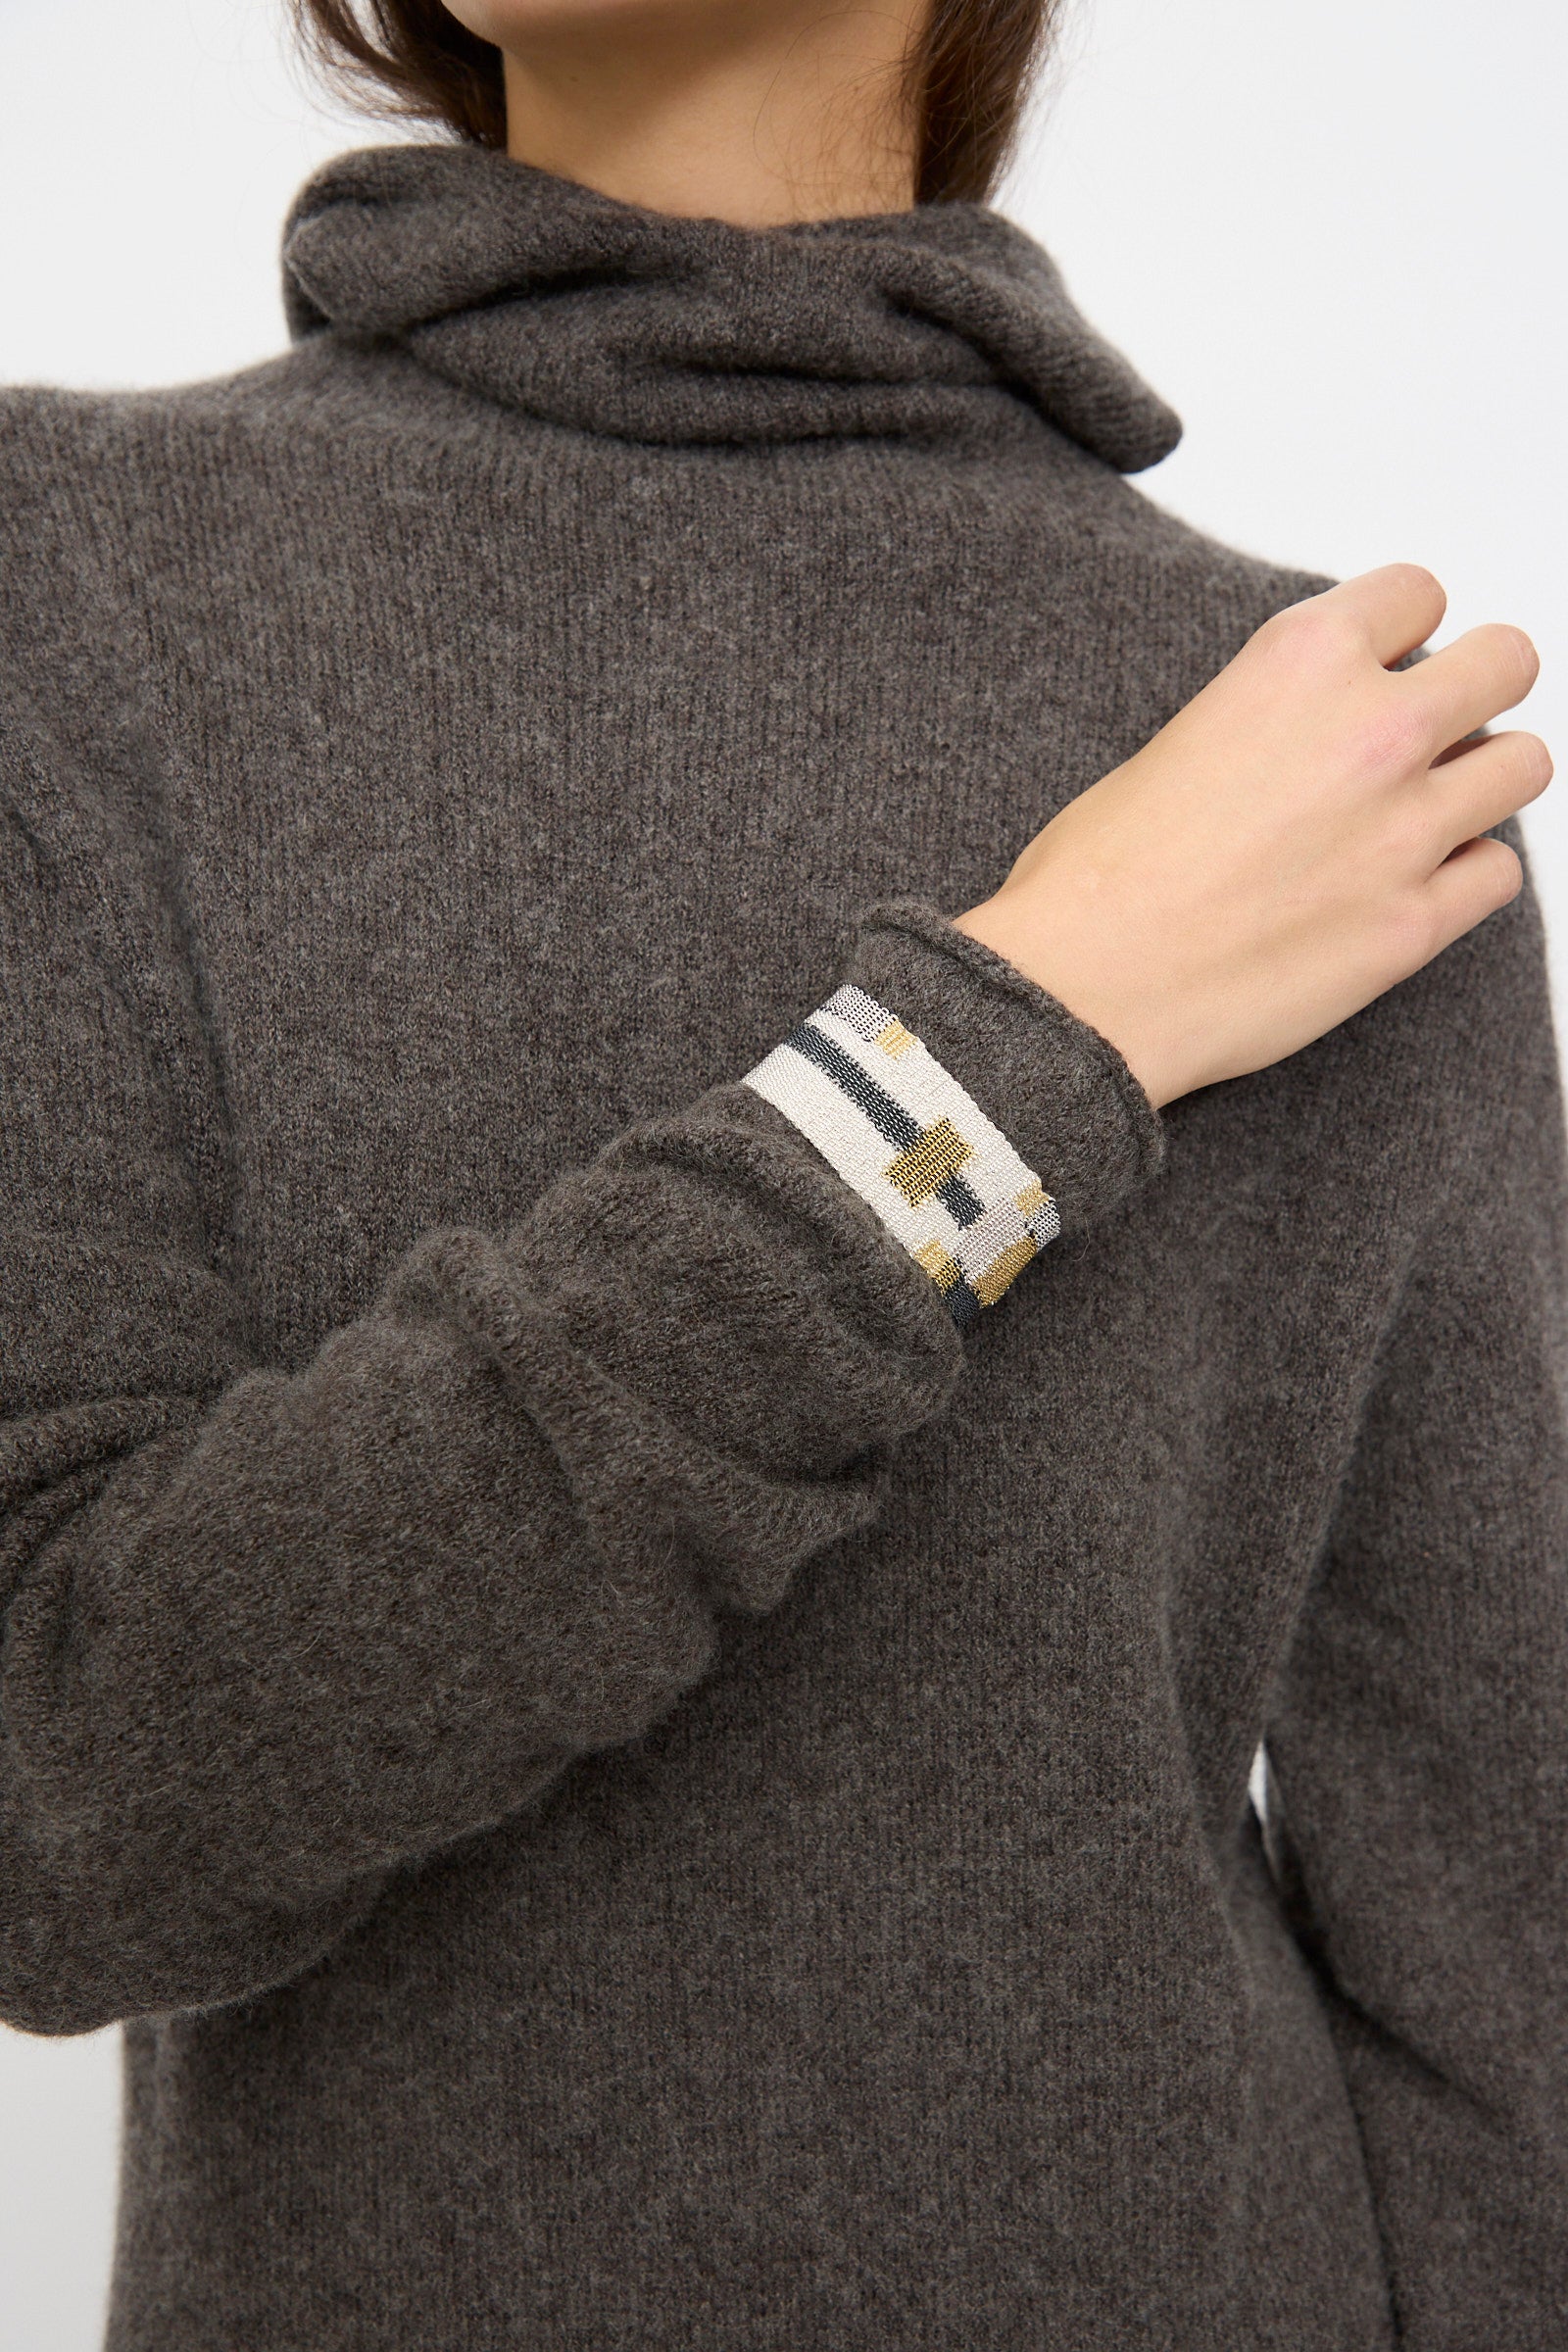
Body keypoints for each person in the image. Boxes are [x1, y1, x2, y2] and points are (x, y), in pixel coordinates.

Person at [0, 0, 1561, 2344]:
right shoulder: (70, 586)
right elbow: (61, 1810)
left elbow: (1498, 1989)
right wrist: (1017, 1048)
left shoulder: (1320, 760)